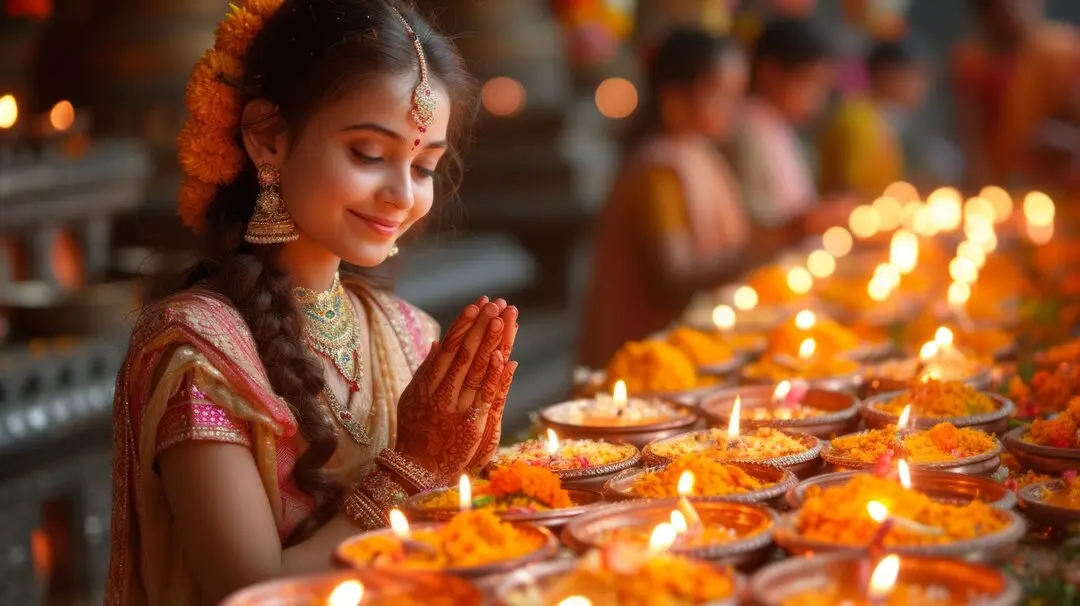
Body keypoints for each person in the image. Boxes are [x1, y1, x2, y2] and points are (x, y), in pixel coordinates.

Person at [105, 2, 518, 604]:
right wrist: (414, 469)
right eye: (369, 155)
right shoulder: (200, 354)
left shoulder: (411, 333)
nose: (402, 195)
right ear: (267, 139)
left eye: (425, 166)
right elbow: (252, 592)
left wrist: (471, 477)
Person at [578, 29, 771, 369]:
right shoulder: (659, 172)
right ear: (674, 96)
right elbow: (673, 279)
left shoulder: (698, 152)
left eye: (737, 94)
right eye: (722, 94)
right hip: (651, 358)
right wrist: (762, 248)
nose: (734, 107)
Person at [728, 18, 854, 231]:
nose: (819, 99)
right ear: (770, 73)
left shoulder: (778, 126)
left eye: (823, 88)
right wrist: (805, 224)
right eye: (811, 83)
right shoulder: (743, 130)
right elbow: (752, 222)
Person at [953, 0, 1080, 187]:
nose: (1012, 12)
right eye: (1000, 7)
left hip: (1063, 183)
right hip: (1000, 183)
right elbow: (970, 132)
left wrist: (1066, 140)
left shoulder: (1064, 51)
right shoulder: (972, 60)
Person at [818, 37, 928, 198]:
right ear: (888, 73)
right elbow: (851, 191)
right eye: (917, 76)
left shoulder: (881, 119)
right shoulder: (856, 120)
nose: (922, 86)